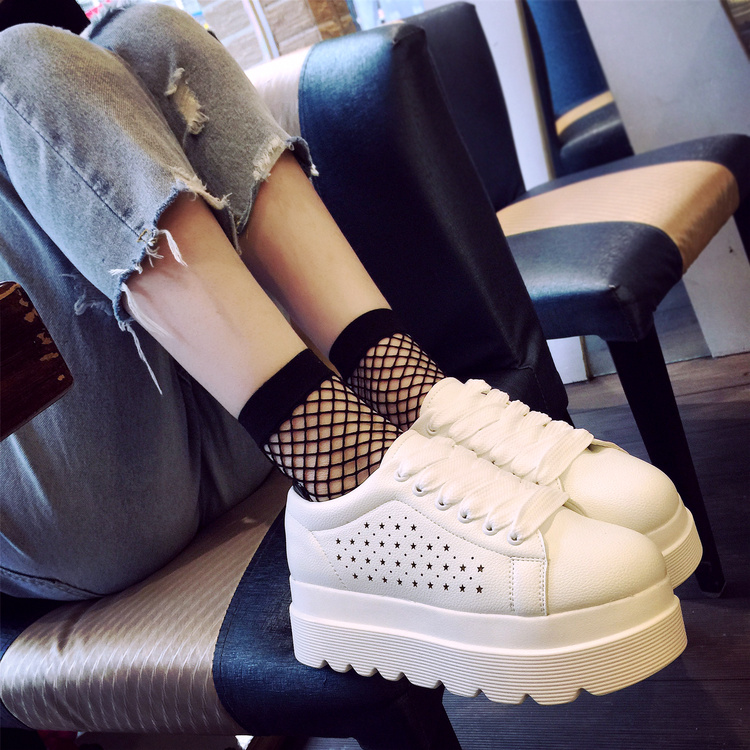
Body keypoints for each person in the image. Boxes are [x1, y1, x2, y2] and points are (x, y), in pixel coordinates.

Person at [0, 0, 697, 702]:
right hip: (83, 501)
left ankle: (409, 393)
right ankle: (344, 475)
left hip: (236, 414)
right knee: (18, 59)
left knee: (148, 34)